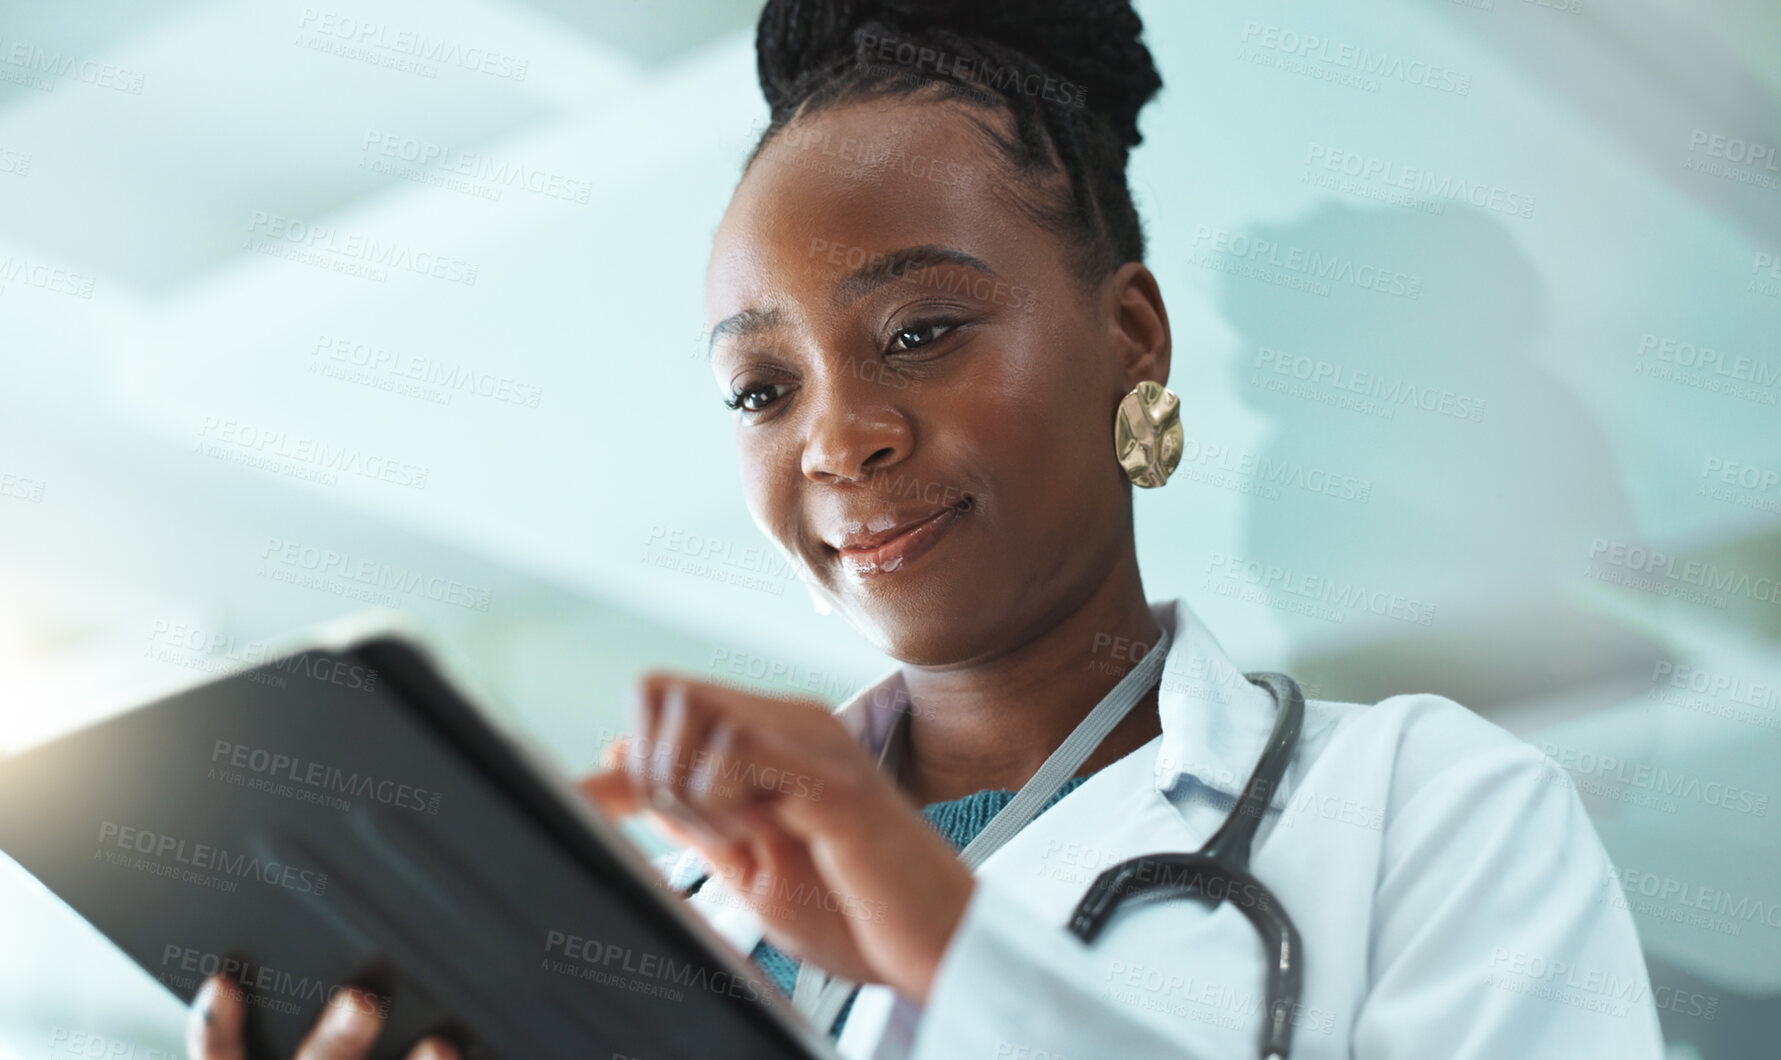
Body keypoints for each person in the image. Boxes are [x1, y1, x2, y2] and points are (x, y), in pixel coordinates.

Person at [186, 1, 1664, 1057]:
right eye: (761, 387)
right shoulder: (658, 921)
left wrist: (952, 950)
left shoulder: (1429, 814)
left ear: (1128, 337)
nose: (837, 437)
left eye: (922, 329)